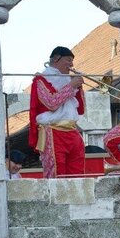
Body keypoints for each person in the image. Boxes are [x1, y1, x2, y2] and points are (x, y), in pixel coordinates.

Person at [29, 46, 85, 178]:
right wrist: (71, 86)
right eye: (68, 60)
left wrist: (78, 87)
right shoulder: (40, 80)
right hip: (53, 131)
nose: (72, 65)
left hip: (72, 131)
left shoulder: (69, 80)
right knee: (56, 173)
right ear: (56, 59)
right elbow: (51, 103)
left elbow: (81, 109)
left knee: (77, 174)